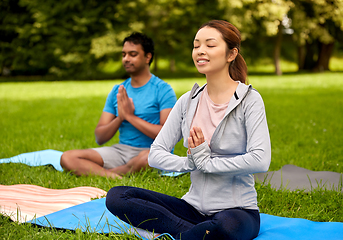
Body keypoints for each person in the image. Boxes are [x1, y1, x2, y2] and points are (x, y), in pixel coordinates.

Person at [105, 20, 271, 240]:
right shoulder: (188, 100)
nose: (200, 51)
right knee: (118, 196)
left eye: (210, 45)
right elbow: (156, 154)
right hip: (191, 209)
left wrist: (208, 164)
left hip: (237, 212)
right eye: (196, 45)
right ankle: (195, 233)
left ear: (231, 54)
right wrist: (190, 163)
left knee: (224, 227)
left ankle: (192, 233)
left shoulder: (249, 100)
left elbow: (260, 160)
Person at [60, 32, 177, 179]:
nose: (126, 59)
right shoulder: (118, 90)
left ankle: (103, 172)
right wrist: (120, 118)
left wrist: (130, 116)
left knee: (145, 159)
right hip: (121, 151)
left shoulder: (163, 90)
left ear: (148, 57)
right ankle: (117, 176)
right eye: (124, 54)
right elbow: (100, 137)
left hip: (151, 151)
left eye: (132, 54)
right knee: (68, 157)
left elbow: (167, 136)